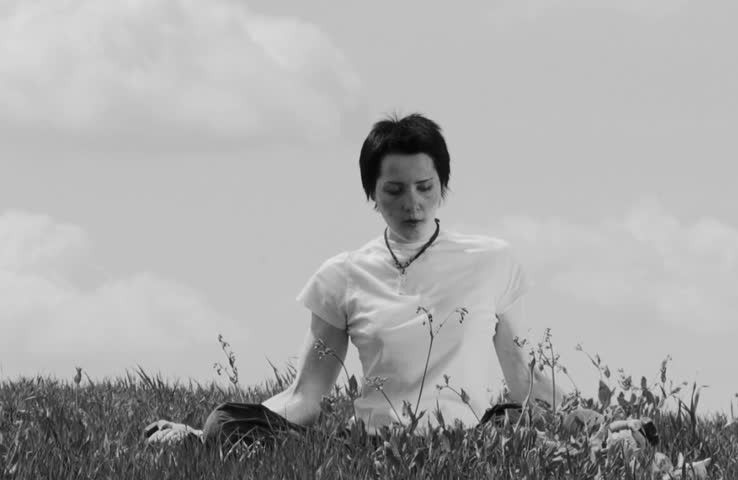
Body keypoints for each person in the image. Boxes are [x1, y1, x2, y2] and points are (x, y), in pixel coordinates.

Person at [145, 113, 654, 452]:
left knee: (514, 427)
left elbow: (523, 376)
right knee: (224, 422)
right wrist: (206, 434)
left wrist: (594, 419)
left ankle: (629, 451)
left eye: (424, 187)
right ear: (372, 193)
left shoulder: (490, 261)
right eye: (394, 190)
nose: (411, 203)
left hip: (473, 438)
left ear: (443, 187)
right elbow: (305, 396)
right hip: (382, 445)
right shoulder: (343, 275)